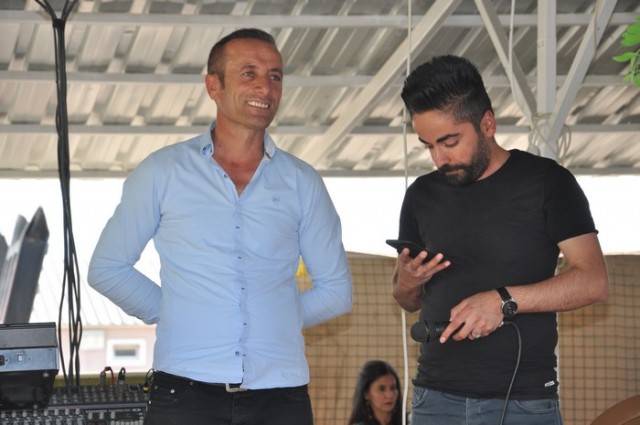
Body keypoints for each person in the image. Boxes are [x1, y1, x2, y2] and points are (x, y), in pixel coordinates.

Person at [87, 28, 352, 425]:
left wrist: (274, 318)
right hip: (184, 393)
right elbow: (107, 268)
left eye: (275, 76)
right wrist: (175, 312)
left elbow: (336, 292)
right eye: (249, 73)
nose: (265, 86)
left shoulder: (303, 181)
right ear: (213, 85)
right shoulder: (162, 171)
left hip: (281, 396)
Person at [391, 54, 609, 425]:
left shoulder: (547, 182)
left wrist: (503, 300)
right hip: (435, 400)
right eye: (428, 146)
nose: (440, 158)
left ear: (487, 123)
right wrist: (409, 281)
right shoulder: (420, 195)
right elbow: (405, 299)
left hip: (524, 403)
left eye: (450, 141)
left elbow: (593, 281)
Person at [348, 360, 403, 425]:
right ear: (366, 394)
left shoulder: (408, 421)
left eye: (393, 388)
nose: (389, 395)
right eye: (381, 389)